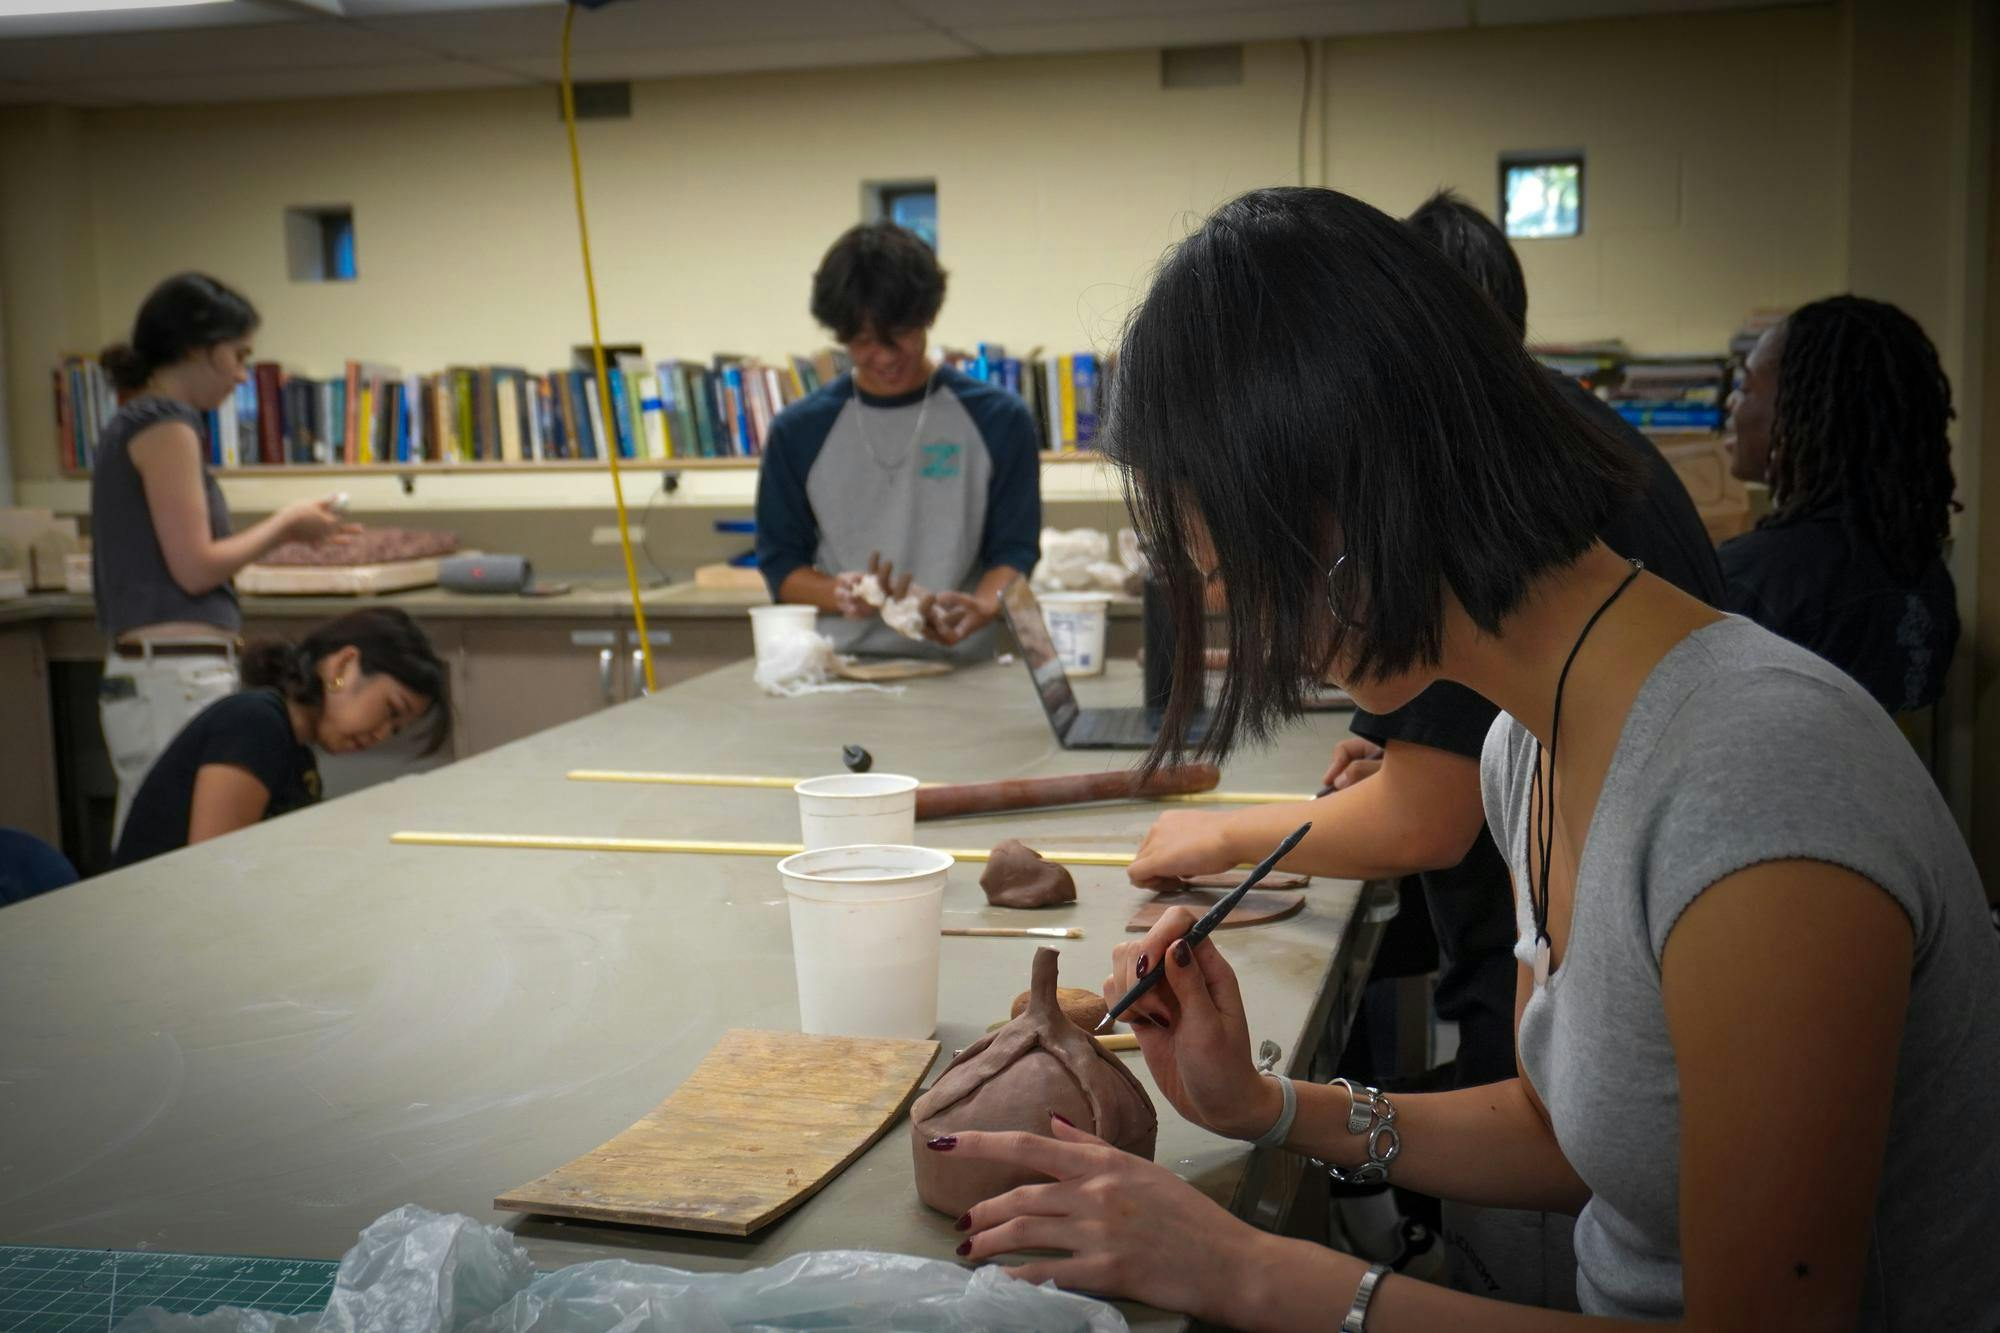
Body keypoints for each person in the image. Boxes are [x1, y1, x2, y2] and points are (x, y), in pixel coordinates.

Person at [928, 188, 1999, 1331]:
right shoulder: (1521, 749)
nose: (1263, 637)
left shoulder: (1757, 780)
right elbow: (1564, 1132)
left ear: (1343, 503)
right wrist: (1266, 1105)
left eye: (1238, 576)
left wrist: (1247, 1268)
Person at [93, 273, 355, 836]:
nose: (241, 375)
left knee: (150, 833)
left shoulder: (135, 421)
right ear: (197, 348)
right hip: (173, 676)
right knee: (177, 851)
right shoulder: (166, 424)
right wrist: (286, 525)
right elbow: (195, 567)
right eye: (237, 356)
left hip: (159, 674)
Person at [754, 222, 1040, 660]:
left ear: (929, 317)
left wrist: (983, 606)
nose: (885, 357)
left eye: (901, 335)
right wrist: (838, 593)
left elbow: (1014, 548)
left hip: (962, 667)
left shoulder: (999, 420)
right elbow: (781, 564)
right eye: (864, 341)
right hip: (842, 669)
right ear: (839, 333)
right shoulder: (799, 431)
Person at [1721, 296, 1960, 714]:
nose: (1731, 403)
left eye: (1745, 386)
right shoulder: (1924, 573)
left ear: (1797, 410)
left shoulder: (1751, 581)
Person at [113, 608, 449, 869]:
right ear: (343, 667)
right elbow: (213, 872)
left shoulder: (297, 752)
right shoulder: (254, 724)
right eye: (391, 710)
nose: (382, 734)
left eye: (395, 730)